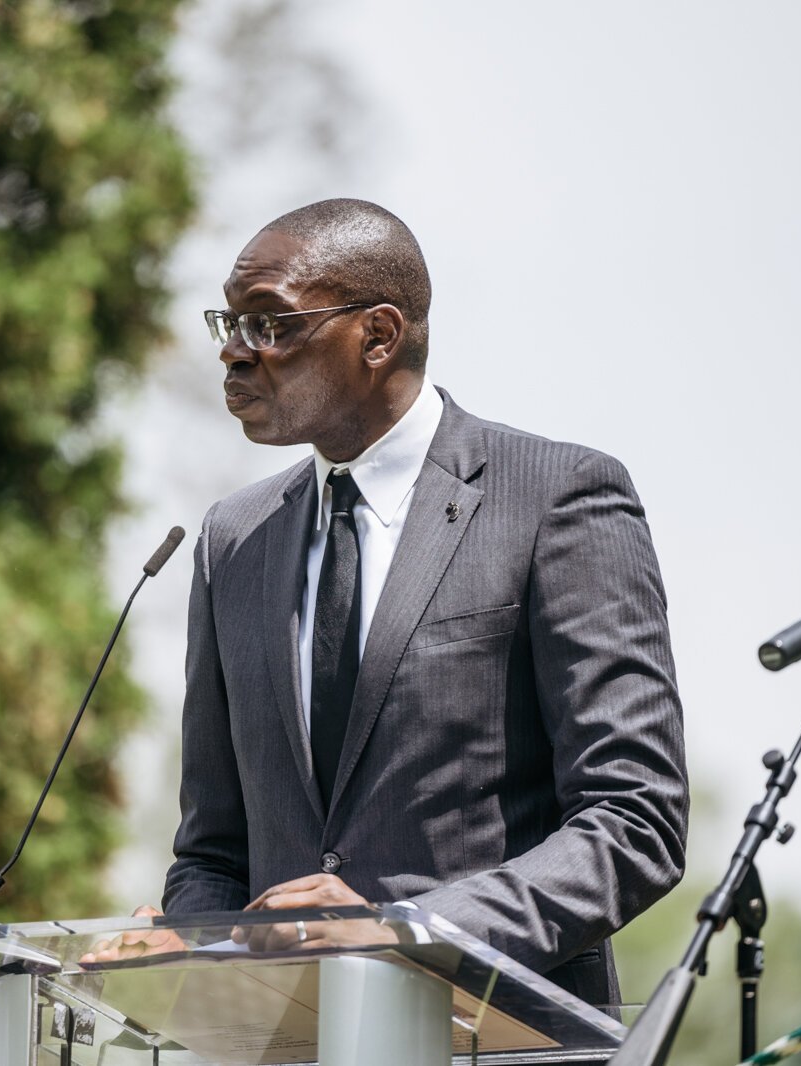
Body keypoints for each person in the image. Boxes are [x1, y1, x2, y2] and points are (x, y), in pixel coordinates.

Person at [96, 198, 686, 1006]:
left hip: (497, 1043)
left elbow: (634, 820)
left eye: (268, 323)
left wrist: (406, 934)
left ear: (376, 335)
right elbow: (213, 853)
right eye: (227, 325)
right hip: (287, 1054)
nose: (234, 354)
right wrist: (193, 938)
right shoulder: (232, 540)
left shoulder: (555, 500)